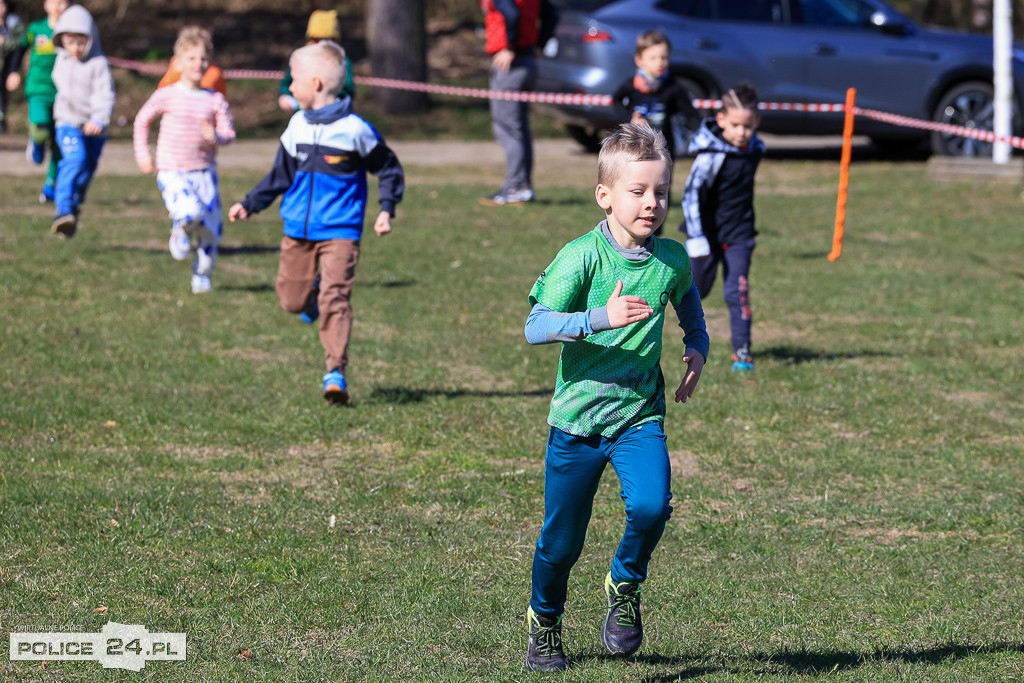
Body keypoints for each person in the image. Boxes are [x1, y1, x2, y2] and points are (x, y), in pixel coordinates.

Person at [523, 122, 709, 672]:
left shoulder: (671, 259)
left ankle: (624, 584)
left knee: (652, 505)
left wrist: (697, 347)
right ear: (605, 196)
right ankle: (545, 621)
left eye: (660, 192)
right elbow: (535, 326)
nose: (651, 203)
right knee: (561, 542)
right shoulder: (581, 257)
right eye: (638, 192)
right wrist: (600, 318)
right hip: (577, 421)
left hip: (638, 413)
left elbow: (690, 307)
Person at [228, 40, 403, 405]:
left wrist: (387, 208)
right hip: (296, 230)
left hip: (341, 230)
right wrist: (250, 203)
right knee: (290, 301)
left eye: (293, 80)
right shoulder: (295, 126)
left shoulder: (355, 130)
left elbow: (387, 167)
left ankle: (334, 372)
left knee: (336, 297)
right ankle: (310, 302)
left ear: (316, 84)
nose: (289, 87)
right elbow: (279, 175)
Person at [133, 26, 236, 294]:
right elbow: (142, 121)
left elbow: (229, 133)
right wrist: (144, 155)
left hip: (204, 172)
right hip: (172, 170)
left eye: (203, 59)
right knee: (190, 212)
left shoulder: (215, 100)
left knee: (210, 231)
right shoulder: (166, 94)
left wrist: (216, 136)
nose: (198, 64)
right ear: (177, 62)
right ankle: (180, 228)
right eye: (191, 58)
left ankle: (202, 275)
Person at [682, 82, 764, 372]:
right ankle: (686, 341)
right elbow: (690, 194)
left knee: (736, 291)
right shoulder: (709, 156)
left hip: (740, 234)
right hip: (706, 235)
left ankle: (742, 352)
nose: (742, 132)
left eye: (748, 126)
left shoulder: (755, 148)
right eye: (735, 125)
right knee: (694, 291)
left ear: (757, 123)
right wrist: (696, 236)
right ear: (720, 120)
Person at [612, 28, 700, 228]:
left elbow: (689, 113)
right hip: (634, 149)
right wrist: (629, 118)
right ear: (639, 60)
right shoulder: (631, 85)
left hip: (663, 151)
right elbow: (615, 101)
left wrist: (702, 133)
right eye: (653, 58)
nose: (660, 62)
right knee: (636, 187)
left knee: (659, 190)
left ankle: (654, 233)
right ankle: (628, 225)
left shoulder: (673, 87)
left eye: (664, 57)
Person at [478, 0, 557, 206]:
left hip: (511, 65)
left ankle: (516, 188)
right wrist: (539, 45)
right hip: (527, 61)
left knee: (508, 129)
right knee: (519, 128)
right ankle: (522, 187)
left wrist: (509, 47)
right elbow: (552, 15)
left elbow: (511, 14)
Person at [48, 3, 113, 238]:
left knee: (87, 169)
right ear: (62, 41)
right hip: (68, 123)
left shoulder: (98, 64)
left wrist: (98, 118)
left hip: (95, 127)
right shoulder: (62, 62)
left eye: (80, 42)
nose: (75, 48)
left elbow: (104, 95)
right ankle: (62, 208)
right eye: (69, 42)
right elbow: (62, 90)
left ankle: (72, 209)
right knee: (76, 159)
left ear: (91, 39)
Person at [13, 0, 67, 203]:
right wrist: (12, 72)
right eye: (54, 1)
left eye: (63, 2)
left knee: (58, 144)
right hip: (38, 89)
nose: (58, 6)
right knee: (42, 128)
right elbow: (18, 50)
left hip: (64, 94)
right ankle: (35, 142)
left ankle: (50, 186)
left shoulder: (71, 31)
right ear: (45, 5)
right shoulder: (35, 29)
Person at [276, 9, 353, 112]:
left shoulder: (342, 62)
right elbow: (287, 84)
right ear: (311, 38)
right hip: (303, 113)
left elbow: (348, 91)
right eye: (318, 39)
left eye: (329, 40)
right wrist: (284, 95)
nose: (323, 45)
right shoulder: (301, 60)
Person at [157, 25, 227, 98]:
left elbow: (223, 98)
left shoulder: (216, 73)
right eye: (203, 40)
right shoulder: (177, 70)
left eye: (209, 41)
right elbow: (162, 92)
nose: (210, 46)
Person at [0, 0, 26, 133]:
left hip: (8, 65)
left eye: (1, 5)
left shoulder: (14, 23)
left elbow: (20, 43)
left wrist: (5, 42)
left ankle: (2, 119)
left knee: (3, 93)